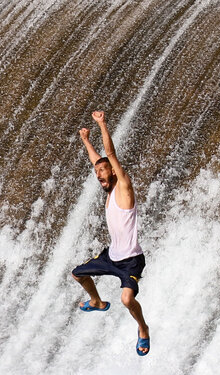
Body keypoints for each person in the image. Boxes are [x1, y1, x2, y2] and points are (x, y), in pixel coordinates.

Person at [72, 110, 150, 356]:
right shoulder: (107, 188)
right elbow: (98, 161)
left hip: (131, 261)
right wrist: (86, 140)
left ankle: (143, 329)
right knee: (77, 275)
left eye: (103, 172)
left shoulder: (124, 186)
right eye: (97, 174)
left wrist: (102, 124)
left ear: (114, 172)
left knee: (127, 300)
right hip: (111, 256)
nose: (99, 176)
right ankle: (96, 302)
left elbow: (110, 155)